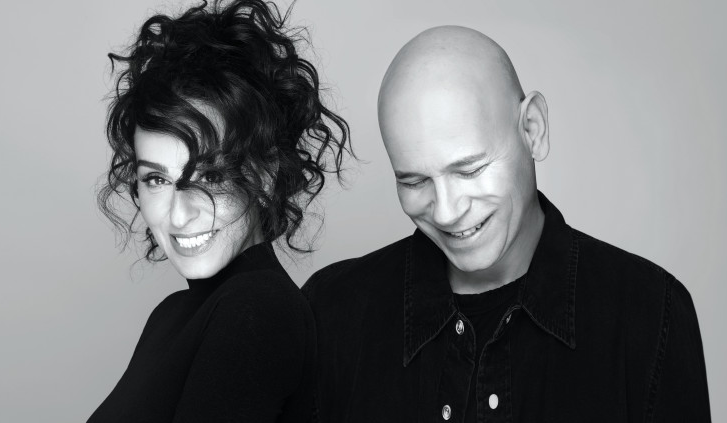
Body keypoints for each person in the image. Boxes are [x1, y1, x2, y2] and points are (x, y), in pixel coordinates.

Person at [302, 26, 710, 422]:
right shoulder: (331, 312)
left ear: (533, 129)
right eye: (414, 181)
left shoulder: (650, 313)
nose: (445, 212)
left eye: (469, 170)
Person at [89, 0, 350, 421]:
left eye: (210, 177)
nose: (179, 215)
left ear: (265, 175)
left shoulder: (257, 308)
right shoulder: (172, 317)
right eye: (156, 179)